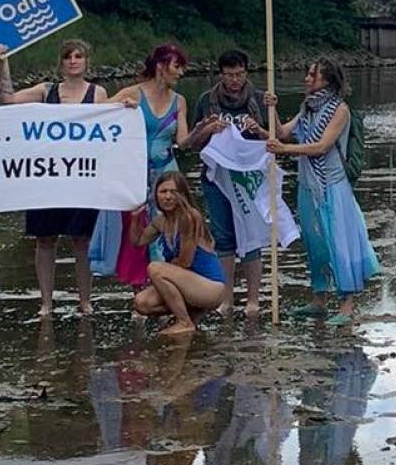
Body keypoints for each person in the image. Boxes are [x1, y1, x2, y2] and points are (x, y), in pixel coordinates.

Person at [0, 38, 108, 317]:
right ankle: (46, 302)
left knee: (82, 239)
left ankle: (85, 300)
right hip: (47, 178)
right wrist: (2, 62)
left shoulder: (98, 93)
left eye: (78, 56)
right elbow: (8, 101)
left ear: (86, 61)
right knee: (45, 239)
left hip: (83, 176)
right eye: (68, 57)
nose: (73, 61)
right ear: (61, 63)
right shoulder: (46, 91)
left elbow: (112, 128)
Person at [268, 59, 380, 324]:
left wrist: (285, 151)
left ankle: (346, 306)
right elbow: (283, 133)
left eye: (312, 75)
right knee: (315, 245)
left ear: (327, 80)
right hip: (308, 186)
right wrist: (271, 110)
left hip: (332, 187)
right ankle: (318, 301)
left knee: (339, 244)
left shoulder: (339, 110)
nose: (307, 78)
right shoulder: (307, 107)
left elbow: (322, 146)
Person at [95, 44, 192, 290]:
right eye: (176, 67)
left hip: (167, 174)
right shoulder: (133, 94)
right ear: (161, 66)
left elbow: (183, 141)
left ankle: (167, 287)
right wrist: (119, 110)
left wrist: (205, 130)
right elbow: (95, 116)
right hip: (135, 175)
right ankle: (141, 290)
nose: (181, 73)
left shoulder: (179, 101)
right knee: (137, 230)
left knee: (168, 228)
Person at [193, 48, 280, 315]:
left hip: (249, 178)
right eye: (230, 75)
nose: (234, 80)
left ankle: (253, 299)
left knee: (251, 236)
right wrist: (208, 129)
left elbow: (277, 139)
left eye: (239, 74)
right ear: (221, 74)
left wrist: (263, 125)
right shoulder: (207, 101)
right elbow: (194, 144)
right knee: (223, 236)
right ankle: (226, 297)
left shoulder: (258, 99)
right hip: (216, 178)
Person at [131, 170, 229, 335]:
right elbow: (138, 241)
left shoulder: (190, 216)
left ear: (182, 195)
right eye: (163, 192)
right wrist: (135, 218)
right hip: (188, 284)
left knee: (155, 268)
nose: (168, 196)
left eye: (173, 192)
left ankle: (184, 321)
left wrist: (161, 275)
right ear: (156, 195)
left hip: (210, 286)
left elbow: (185, 262)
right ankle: (192, 314)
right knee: (142, 302)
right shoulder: (160, 221)